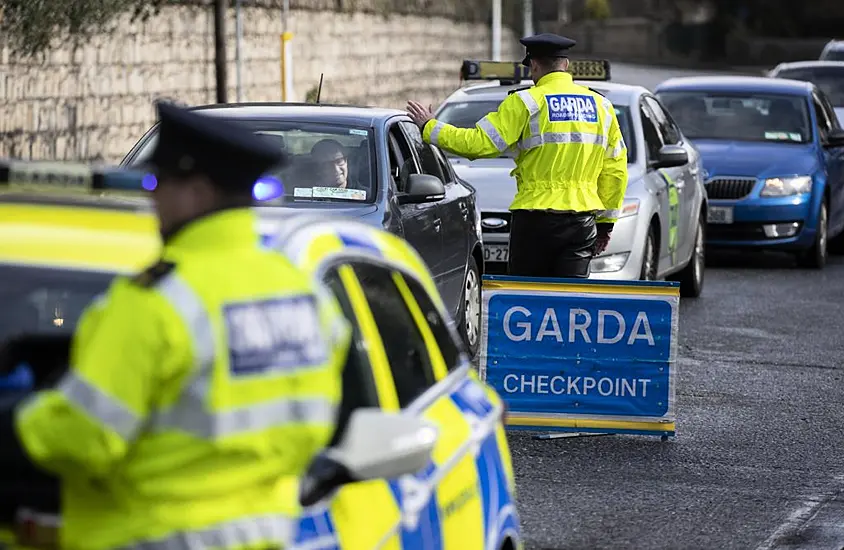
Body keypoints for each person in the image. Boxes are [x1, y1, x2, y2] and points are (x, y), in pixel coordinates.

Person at [0, 101, 352, 550]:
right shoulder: (305, 295)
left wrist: (15, 418)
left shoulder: (157, 303)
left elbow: (84, 436)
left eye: (156, 182)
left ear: (198, 192)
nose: (150, 198)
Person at [407, 33, 629, 278]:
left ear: (534, 65)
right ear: (565, 65)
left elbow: (478, 144)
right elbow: (615, 170)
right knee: (571, 302)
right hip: (581, 222)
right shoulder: (602, 106)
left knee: (527, 298)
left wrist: (430, 127)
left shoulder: (525, 102)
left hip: (535, 222)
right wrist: (606, 224)